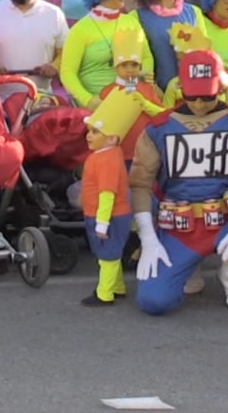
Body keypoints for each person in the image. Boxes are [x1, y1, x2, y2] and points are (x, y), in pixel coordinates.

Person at [130, 50, 228, 315]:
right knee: (154, 302)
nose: (200, 105)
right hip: (180, 230)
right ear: (180, 88)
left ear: (222, 87)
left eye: (208, 96)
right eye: (192, 97)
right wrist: (147, 237)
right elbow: (139, 184)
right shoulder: (158, 129)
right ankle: (188, 267)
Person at [61, 0, 153, 109]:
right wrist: (89, 100)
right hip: (97, 111)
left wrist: (139, 81)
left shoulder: (131, 22)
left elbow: (146, 57)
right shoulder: (80, 29)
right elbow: (67, 72)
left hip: (130, 103)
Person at [79, 90, 141, 306]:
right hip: (110, 215)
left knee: (107, 256)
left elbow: (107, 194)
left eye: (95, 131)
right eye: (89, 130)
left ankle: (104, 293)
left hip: (108, 216)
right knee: (111, 253)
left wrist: (102, 223)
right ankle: (118, 286)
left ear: (112, 137)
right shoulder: (108, 156)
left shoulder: (105, 160)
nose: (89, 135)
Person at [130, 0, 207, 96]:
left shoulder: (194, 12)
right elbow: (130, 70)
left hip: (194, 99)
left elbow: (206, 55)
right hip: (156, 99)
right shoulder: (136, 17)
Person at [98, 28, 165, 165]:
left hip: (147, 149)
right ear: (116, 68)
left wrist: (146, 104)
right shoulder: (108, 91)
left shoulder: (147, 88)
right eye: (124, 65)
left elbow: (162, 114)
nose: (130, 69)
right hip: (120, 150)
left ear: (140, 67)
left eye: (134, 65)